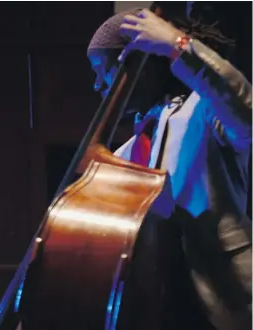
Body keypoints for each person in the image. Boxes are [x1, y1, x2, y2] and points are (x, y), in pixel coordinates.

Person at [87, 4, 251, 330]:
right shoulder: (142, 134)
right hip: (163, 303)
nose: (96, 85)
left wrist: (179, 45)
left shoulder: (203, 108)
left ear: (136, 68)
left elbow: (246, 113)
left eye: (101, 70)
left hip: (225, 297)